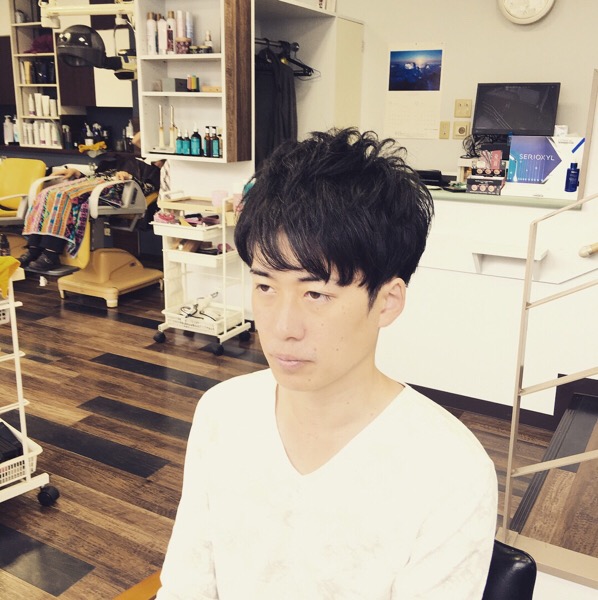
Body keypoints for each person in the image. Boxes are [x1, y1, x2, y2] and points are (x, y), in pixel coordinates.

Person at [157, 129, 498, 599]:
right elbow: (187, 583)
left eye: (316, 294)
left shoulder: (450, 470)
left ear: (387, 302)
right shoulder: (222, 412)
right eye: (265, 287)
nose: (282, 327)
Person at [19, 133, 162, 272]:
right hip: (94, 181)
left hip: (111, 190)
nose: (156, 160)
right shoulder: (130, 160)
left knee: (63, 196)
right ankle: (33, 248)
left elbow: (144, 188)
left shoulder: (156, 172)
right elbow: (135, 140)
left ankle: (51, 254)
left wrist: (130, 177)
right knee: (46, 193)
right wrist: (77, 173)